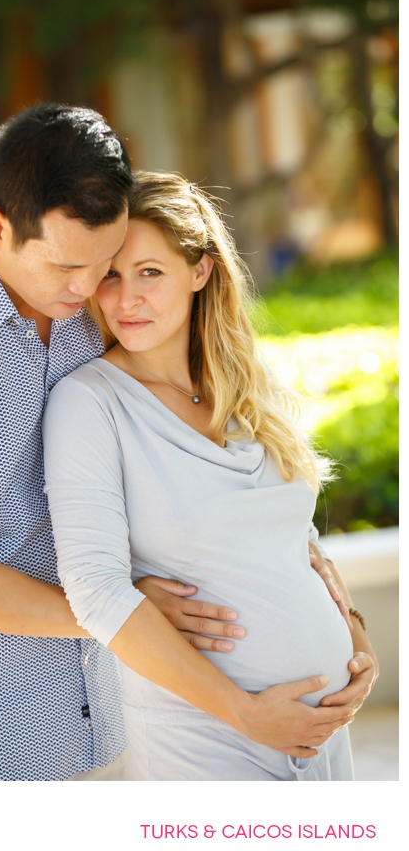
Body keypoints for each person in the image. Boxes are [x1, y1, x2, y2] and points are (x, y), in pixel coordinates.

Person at [43, 173, 379, 780]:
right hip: (204, 737)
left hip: (323, 733)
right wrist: (247, 715)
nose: (126, 299)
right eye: (110, 276)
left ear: (200, 270)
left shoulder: (246, 385)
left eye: (150, 272)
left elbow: (296, 540)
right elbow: (95, 589)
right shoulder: (89, 403)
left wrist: (355, 638)